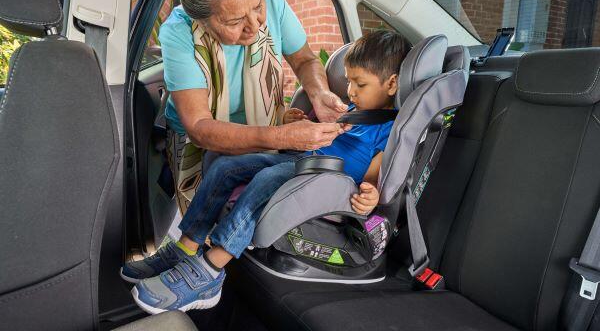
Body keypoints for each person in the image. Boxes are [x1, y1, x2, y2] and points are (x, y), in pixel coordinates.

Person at [124, 30, 411, 314]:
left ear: (391, 83)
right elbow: (313, 129)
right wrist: (294, 119)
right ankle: (186, 247)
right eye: (349, 81)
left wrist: (370, 196)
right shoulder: (350, 109)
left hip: (327, 185)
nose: (350, 91)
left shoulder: (388, 129)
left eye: (360, 84)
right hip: (301, 165)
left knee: (266, 180)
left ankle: (211, 270)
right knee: (226, 166)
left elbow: (373, 181)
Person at [158, 0, 348, 213]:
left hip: (264, 125)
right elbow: (199, 127)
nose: (256, 25)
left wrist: (319, 92)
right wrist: (282, 137)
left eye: (257, 7)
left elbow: (305, 60)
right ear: (199, 19)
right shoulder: (178, 32)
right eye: (234, 21)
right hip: (198, 141)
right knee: (204, 216)